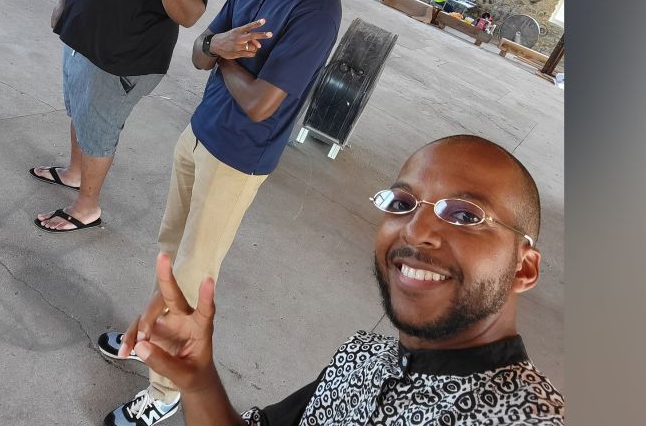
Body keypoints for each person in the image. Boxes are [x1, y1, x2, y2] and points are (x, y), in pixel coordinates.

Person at [98, 0, 343, 426]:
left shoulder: (317, 5)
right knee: (170, 251)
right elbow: (199, 52)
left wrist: (224, 51)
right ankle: (144, 333)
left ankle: (163, 392)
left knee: (192, 273)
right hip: (200, 132)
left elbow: (260, 104)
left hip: (239, 156)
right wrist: (218, 46)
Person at [118, 135, 565, 425]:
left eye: (465, 215)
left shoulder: (524, 418)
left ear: (523, 268)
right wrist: (199, 381)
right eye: (403, 202)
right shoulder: (360, 358)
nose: (416, 230)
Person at [30, 0, 210, 233]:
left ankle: (86, 208)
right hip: (83, 40)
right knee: (81, 110)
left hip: (122, 61)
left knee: (98, 126)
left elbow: (190, 14)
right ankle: (74, 173)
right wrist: (64, 2)